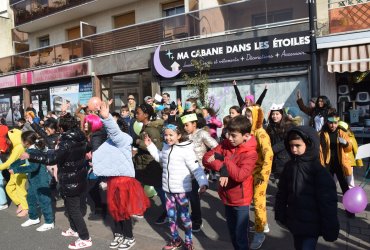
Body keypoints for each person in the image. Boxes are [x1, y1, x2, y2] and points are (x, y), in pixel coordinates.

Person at [21, 113, 92, 249]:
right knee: (70, 207)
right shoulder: (80, 136)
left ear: (62, 127)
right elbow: (88, 148)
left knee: (74, 210)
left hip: (71, 179)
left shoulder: (67, 142)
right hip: (75, 177)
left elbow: (52, 159)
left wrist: (30, 155)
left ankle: (85, 238)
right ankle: (74, 229)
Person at [92, 101, 150, 250]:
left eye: (113, 125)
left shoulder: (123, 138)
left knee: (123, 210)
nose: (109, 129)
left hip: (124, 181)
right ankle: (119, 234)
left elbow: (114, 132)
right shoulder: (110, 142)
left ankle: (129, 237)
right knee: (114, 209)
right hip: (113, 180)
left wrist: (106, 117)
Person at [145, 122, 208, 250]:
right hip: (167, 190)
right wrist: (150, 145)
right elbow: (160, 158)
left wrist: (203, 183)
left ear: (179, 135)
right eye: (166, 135)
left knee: (184, 217)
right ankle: (175, 240)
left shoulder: (186, 150)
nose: (168, 137)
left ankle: (189, 241)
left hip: (182, 191)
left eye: (171, 135)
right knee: (171, 217)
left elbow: (196, 168)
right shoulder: (166, 147)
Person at [275, 126, 339, 250]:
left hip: (312, 226)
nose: (293, 149)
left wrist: (330, 228)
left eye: (298, 146)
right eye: (291, 145)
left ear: (309, 144)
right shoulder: (289, 166)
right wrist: (280, 214)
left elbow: (328, 203)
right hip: (295, 222)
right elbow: (282, 193)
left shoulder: (319, 171)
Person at [203, 115, 258, 250]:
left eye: (234, 135)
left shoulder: (251, 153)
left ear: (245, 136)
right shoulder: (226, 144)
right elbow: (206, 158)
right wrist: (223, 169)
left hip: (241, 199)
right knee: (233, 234)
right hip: (226, 196)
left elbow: (240, 175)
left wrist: (224, 159)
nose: (229, 138)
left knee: (240, 236)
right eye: (228, 134)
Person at [9, 131, 54, 232]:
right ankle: (34, 218)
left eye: (21, 140)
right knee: (31, 198)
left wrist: (16, 170)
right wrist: (12, 165)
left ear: (26, 142)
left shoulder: (35, 151)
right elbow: (21, 160)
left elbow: (33, 167)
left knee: (44, 201)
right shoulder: (29, 150)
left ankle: (49, 222)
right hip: (33, 180)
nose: (20, 142)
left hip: (41, 180)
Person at [182, 113, 218, 232]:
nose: (185, 128)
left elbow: (216, 146)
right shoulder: (184, 135)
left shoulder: (202, 133)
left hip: (199, 170)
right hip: (185, 170)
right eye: (184, 125)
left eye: (187, 125)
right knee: (185, 196)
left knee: (193, 196)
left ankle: (197, 219)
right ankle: (188, 217)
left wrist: (209, 158)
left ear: (194, 124)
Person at [245, 106, 273, 249]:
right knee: (251, 200)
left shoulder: (261, 133)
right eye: (246, 115)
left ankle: (260, 232)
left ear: (256, 117)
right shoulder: (249, 132)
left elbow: (269, 154)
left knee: (258, 201)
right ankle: (261, 224)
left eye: (250, 116)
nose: (247, 118)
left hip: (261, 173)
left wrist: (263, 173)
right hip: (250, 173)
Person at [133, 103, 166, 224]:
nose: (136, 115)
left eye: (138, 113)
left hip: (152, 165)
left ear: (146, 115)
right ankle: (140, 209)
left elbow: (157, 148)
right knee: (138, 187)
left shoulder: (152, 130)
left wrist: (138, 142)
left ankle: (168, 211)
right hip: (142, 164)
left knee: (160, 189)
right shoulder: (144, 127)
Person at [319, 113, 354, 217]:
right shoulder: (322, 133)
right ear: (327, 122)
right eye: (331, 122)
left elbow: (349, 148)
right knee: (328, 187)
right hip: (327, 164)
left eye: (335, 123)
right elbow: (319, 149)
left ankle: (350, 210)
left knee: (345, 187)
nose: (333, 125)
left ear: (338, 122)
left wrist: (346, 144)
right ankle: (327, 209)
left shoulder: (342, 132)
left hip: (339, 164)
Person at [0, 128, 28, 217]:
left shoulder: (18, 147)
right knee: (9, 188)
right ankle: (20, 204)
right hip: (14, 171)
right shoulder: (16, 146)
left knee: (20, 190)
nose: (7, 142)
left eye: (8, 139)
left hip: (20, 171)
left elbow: (9, 161)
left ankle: (25, 208)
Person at [266, 103, 294, 182]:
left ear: (282, 114)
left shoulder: (289, 126)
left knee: (286, 181)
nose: (274, 116)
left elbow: (287, 140)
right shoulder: (271, 126)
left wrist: (273, 149)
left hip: (286, 157)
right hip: (275, 158)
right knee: (279, 181)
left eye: (277, 114)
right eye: (273, 114)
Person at [338, 121, 363, 188]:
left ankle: (351, 193)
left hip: (348, 162)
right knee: (340, 178)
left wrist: (359, 163)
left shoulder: (351, 138)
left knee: (349, 179)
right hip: (339, 161)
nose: (339, 130)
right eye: (338, 128)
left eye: (341, 128)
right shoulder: (337, 137)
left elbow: (356, 151)